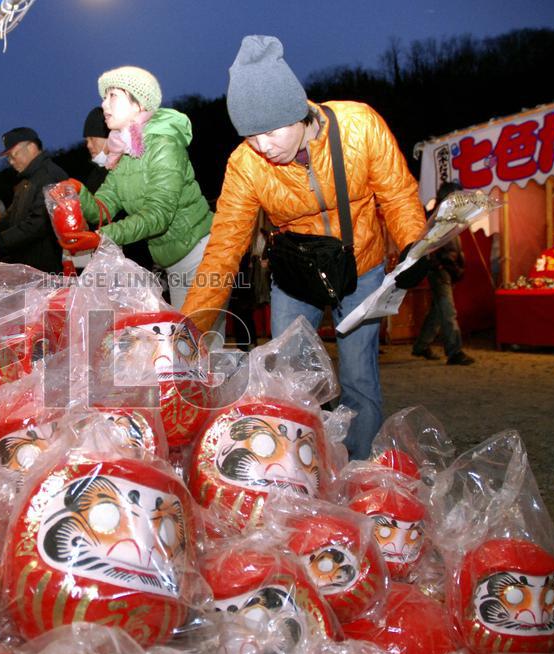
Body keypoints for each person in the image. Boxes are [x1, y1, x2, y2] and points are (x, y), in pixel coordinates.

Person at [181, 35, 428, 460]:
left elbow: (398, 193)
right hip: (295, 273)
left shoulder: (360, 126)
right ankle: (301, 467)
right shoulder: (246, 164)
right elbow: (224, 247)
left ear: (298, 111)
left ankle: (358, 468)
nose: (263, 146)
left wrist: (413, 245)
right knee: (287, 376)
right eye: (250, 135)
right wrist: (188, 331)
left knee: (358, 375)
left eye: (271, 130)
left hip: (361, 264)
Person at [55, 66, 214, 313]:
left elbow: (158, 216)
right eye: (104, 97)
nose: (104, 104)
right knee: (184, 333)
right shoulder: (124, 152)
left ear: (138, 104)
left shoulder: (164, 145)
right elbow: (103, 209)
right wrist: (79, 193)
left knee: (195, 334)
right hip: (172, 258)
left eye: (112, 96)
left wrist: (102, 237)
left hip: (200, 254)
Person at [0, 127, 66, 274]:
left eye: (13, 155)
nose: (10, 161)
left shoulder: (49, 176)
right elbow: (10, 217)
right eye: (8, 157)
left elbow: (39, 223)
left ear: (32, 147)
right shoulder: (25, 183)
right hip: (29, 267)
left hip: (47, 269)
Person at [412, 182, 475, 366]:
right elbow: (428, 245)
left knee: (438, 310)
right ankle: (454, 351)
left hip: (447, 268)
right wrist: (439, 264)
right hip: (440, 269)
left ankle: (421, 346)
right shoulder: (437, 219)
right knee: (448, 311)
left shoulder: (449, 217)